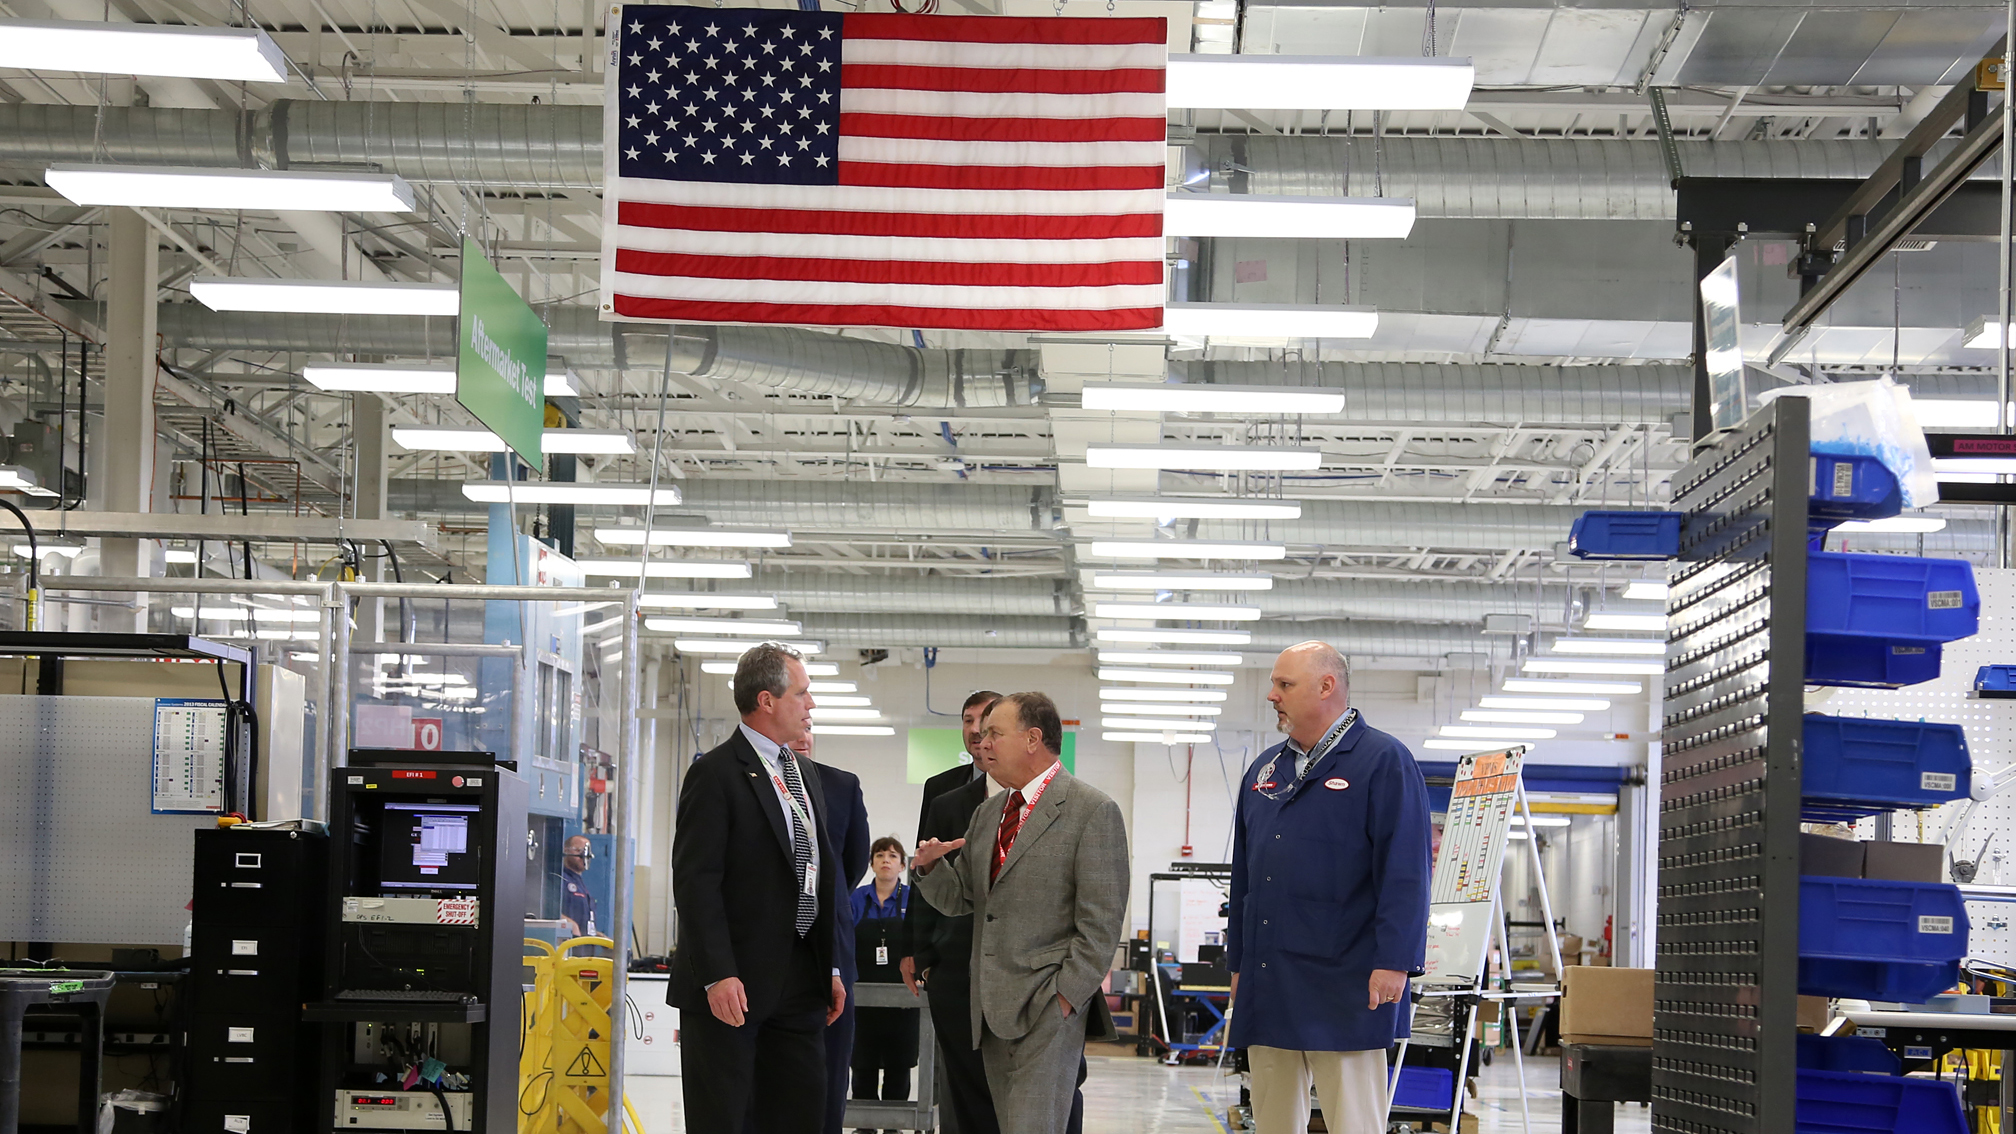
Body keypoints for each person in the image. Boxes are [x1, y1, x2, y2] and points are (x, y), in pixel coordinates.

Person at [1226, 642, 1432, 1134]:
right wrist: (1238, 962)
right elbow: (1244, 880)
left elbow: (1406, 873)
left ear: (1326, 686)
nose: (1271, 695)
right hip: (1270, 977)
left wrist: (1395, 962)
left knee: (1353, 1120)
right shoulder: (1265, 772)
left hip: (1348, 981)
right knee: (1272, 1119)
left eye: (1284, 684)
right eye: (1274, 684)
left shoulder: (1384, 761)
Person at [911, 693, 1129, 1134]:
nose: (981, 740)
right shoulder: (989, 813)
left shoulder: (1092, 811)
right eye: (980, 731)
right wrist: (931, 867)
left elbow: (1101, 923)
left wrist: (1064, 998)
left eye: (994, 733)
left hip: (1048, 1009)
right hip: (990, 1010)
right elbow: (964, 899)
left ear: (1033, 738)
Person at [670, 642, 847, 1134]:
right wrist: (717, 974)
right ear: (767, 700)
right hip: (733, 985)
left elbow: (819, 874)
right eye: (803, 694)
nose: (810, 706)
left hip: (800, 978)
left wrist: (827, 963)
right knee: (725, 1118)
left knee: (799, 1114)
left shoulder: (804, 773)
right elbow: (695, 880)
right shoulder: (715, 773)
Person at [901, 691, 1002, 1134]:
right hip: (954, 958)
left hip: (1013, 967)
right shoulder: (942, 792)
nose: (976, 729)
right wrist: (916, 948)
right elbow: (922, 870)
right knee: (958, 1089)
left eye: (986, 720)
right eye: (968, 720)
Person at [809, 736, 871, 1134]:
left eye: (808, 725)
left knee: (829, 1079)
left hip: (830, 951)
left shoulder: (840, 786)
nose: (802, 732)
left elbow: (850, 866)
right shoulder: (732, 778)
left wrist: (821, 902)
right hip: (763, 963)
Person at [850, 838, 921, 1120]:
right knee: (862, 1062)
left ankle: (893, 1125)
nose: (886, 860)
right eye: (879, 855)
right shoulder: (856, 898)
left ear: (903, 865)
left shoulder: (912, 900)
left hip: (903, 999)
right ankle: (864, 1126)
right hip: (862, 998)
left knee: (899, 1063)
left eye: (893, 856)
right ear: (871, 864)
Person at [560, 834, 596, 937]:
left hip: (585, 947)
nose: (583, 856)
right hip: (568, 944)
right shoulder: (559, 879)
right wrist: (570, 924)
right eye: (578, 850)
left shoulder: (581, 885)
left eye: (586, 852)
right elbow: (546, 911)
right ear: (566, 850)